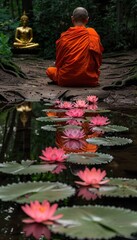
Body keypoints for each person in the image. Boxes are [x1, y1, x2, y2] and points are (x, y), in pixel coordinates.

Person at [46, 7, 103, 87]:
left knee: (49, 70)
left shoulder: (65, 36)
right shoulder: (93, 34)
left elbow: (59, 62)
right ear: (87, 19)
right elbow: (98, 61)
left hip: (66, 79)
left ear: (72, 19)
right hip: (90, 78)